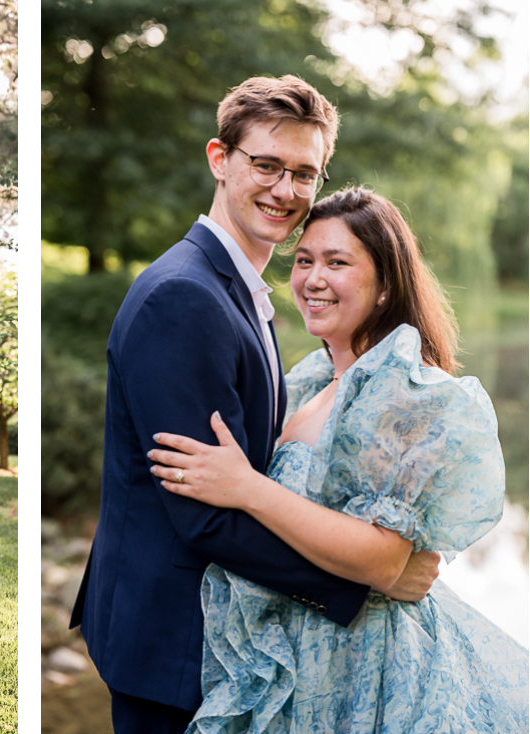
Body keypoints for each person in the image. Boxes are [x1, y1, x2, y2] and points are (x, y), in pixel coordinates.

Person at [67, 76, 441, 734]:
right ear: (220, 158)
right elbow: (204, 515)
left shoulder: (239, 294)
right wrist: (360, 582)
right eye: (265, 164)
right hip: (171, 635)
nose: (284, 189)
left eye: (304, 173)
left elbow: (249, 477)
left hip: (203, 630)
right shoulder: (184, 298)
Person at [148, 186, 529, 732]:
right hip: (296, 651)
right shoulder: (309, 380)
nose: (313, 279)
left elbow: (381, 560)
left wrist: (246, 488)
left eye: (338, 262)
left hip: (364, 665)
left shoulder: (404, 391)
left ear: (385, 287)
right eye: (304, 260)